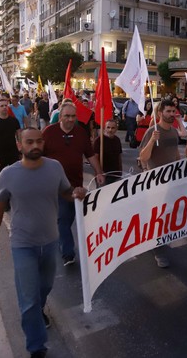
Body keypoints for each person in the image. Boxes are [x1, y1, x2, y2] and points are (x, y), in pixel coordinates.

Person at [0, 127, 87, 358]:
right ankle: (36, 346)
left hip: (51, 242)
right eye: (29, 142)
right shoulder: (8, 174)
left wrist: (76, 192)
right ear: (19, 145)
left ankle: (35, 310)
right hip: (23, 245)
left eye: (39, 141)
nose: (35, 146)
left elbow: (64, 191)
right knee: (29, 299)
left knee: (45, 288)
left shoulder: (54, 167)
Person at [42, 101, 105, 266]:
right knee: (63, 218)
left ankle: (59, 238)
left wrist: (98, 172)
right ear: (60, 117)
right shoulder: (49, 132)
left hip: (76, 185)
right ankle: (68, 253)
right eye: (67, 116)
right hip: (55, 186)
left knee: (68, 218)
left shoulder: (81, 133)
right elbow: (38, 156)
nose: (70, 119)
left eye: (73, 116)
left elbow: (90, 155)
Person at [139, 99, 182, 268]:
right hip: (155, 182)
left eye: (173, 111)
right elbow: (143, 157)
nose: (172, 114)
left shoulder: (173, 132)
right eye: (168, 111)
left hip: (171, 180)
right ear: (160, 114)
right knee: (158, 217)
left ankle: (157, 242)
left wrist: (180, 169)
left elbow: (175, 154)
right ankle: (159, 251)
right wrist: (151, 141)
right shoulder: (152, 132)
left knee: (167, 215)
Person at [0, 98, 21, 179]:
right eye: (1, 106)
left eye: (6, 105)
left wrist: (21, 152)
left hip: (13, 154)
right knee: (0, 178)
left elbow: (19, 137)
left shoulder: (14, 121)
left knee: (15, 176)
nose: (4, 107)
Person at [93, 119, 123, 185]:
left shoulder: (117, 140)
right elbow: (95, 158)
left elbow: (119, 156)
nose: (110, 130)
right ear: (105, 128)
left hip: (116, 174)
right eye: (108, 127)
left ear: (116, 129)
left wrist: (120, 171)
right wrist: (99, 172)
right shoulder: (99, 141)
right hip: (103, 174)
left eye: (113, 128)